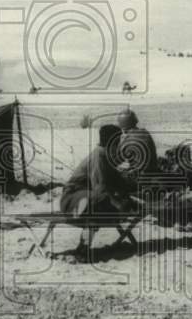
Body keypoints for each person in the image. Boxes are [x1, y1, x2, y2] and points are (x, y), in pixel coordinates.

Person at [60, 123, 133, 258]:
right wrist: (118, 204)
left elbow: (117, 180)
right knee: (98, 204)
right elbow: (101, 188)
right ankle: (84, 250)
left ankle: (83, 246)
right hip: (72, 200)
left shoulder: (105, 154)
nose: (119, 144)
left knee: (101, 205)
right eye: (117, 141)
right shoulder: (99, 156)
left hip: (83, 198)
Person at [113, 108, 159, 184]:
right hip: (152, 171)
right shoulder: (145, 132)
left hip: (141, 178)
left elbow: (118, 160)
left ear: (122, 126)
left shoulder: (127, 140)